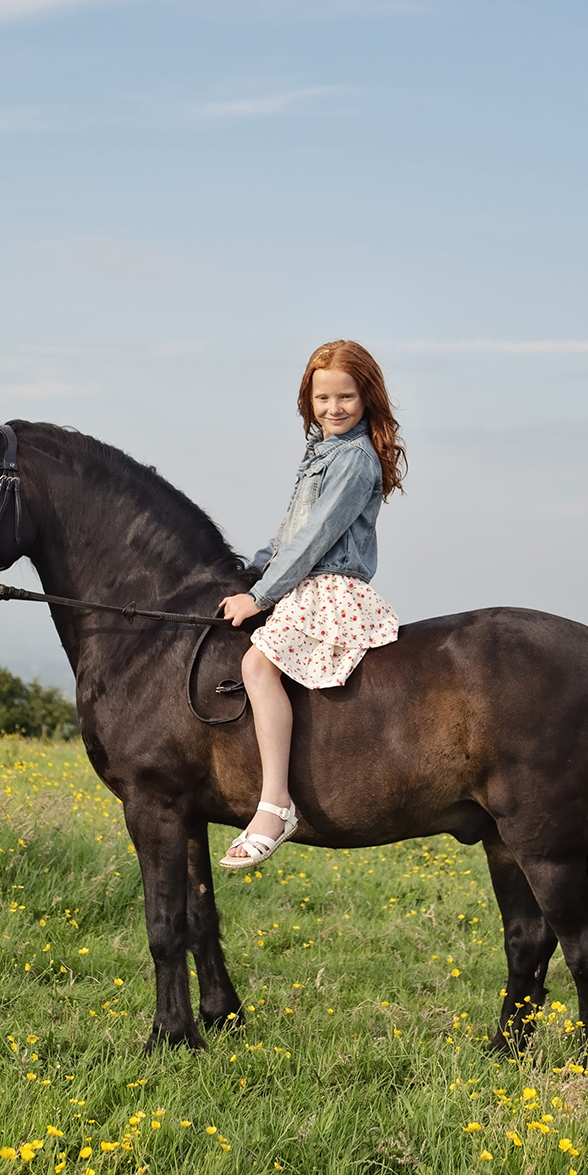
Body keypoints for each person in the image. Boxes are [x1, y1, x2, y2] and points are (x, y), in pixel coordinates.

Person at [217, 340, 406, 870]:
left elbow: (314, 539)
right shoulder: (321, 452)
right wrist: (251, 568)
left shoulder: (354, 460)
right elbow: (288, 532)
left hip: (329, 588)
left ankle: (276, 806)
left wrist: (259, 597)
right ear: (309, 400)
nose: (334, 408)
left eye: (346, 397)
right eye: (323, 398)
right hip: (303, 579)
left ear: (367, 398)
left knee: (257, 666)